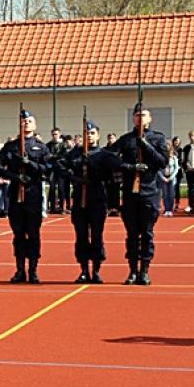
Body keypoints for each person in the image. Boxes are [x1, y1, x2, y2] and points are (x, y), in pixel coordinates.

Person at [111, 103, 171, 285]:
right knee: (131, 234)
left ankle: (144, 270)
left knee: (147, 233)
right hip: (130, 193)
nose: (140, 118)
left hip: (149, 192)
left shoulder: (158, 139)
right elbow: (110, 159)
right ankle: (132, 270)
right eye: (137, 115)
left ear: (150, 118)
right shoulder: (126, 139)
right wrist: (130, 167)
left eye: (143, 115)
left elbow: (162, 162)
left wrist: (145, 146)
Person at [0, 109, 50, 283]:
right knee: (18, 234)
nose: (26, 123)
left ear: (35, 124)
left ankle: (33, 270)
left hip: (32, 194)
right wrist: (14, 176)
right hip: (16, 194)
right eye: (23, 121)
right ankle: (20, 270)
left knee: (33, 233)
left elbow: (48, 168)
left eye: (29, 121)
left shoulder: (41, 147)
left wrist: (30, 164)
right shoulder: (11, 146)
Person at [62, 120, 119, 283]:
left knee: (96, 235)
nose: (89, 136)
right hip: (80, 198)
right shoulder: (74, 153)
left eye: (92, 133)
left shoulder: (104, 154)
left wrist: (94, 166)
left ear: (98, 135)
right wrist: (74, 178)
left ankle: (96, 270)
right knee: (81, 235)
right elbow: (58, 166)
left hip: (97, 198)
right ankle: (84, 269)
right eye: (87, 133)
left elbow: (114, 171)